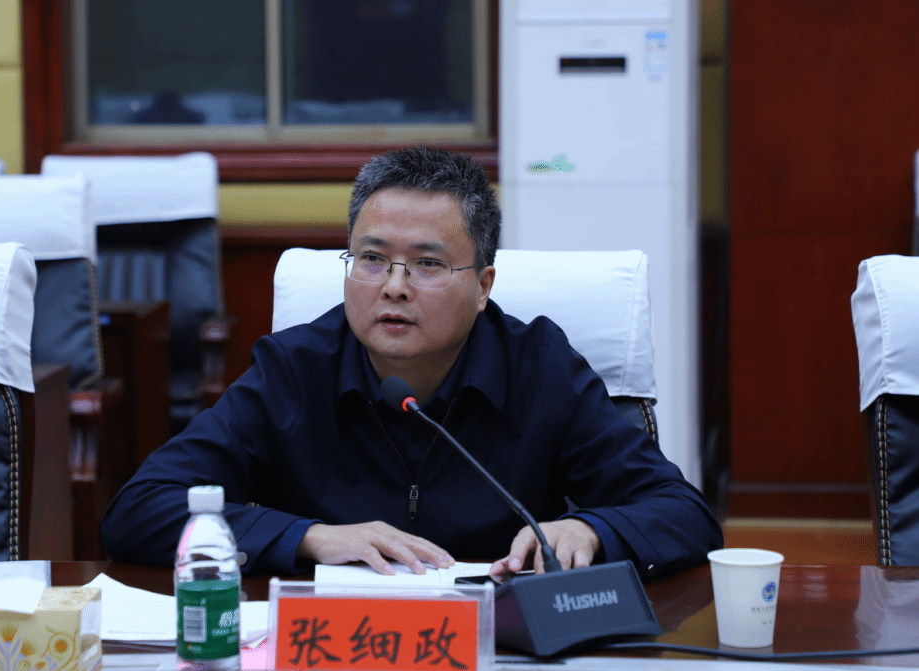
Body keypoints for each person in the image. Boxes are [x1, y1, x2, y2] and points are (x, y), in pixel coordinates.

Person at [101, 146, 722, 579]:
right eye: (372, 259)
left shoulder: (540, 367)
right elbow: (139, 509)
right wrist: (308, 538)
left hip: (500, 642)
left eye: (427, 264)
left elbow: (684, 515)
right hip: (336, 644)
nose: (393, 287)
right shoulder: (294, 369)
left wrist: (588, 531)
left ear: (483, 286)